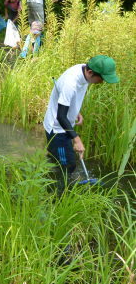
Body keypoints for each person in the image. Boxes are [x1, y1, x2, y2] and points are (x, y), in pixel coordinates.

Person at [43, 56, 119, 193]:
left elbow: (67, 101)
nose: (102, 82)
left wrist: (75, 111)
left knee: (60, 161)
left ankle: (51, 179)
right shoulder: (70, 82)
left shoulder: (85, 71)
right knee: (68, 165)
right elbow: (61, 116)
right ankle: (56, 195)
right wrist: (76, 140)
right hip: (57, 129)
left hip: (65, 124)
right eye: (101, 79)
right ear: (90, 73)